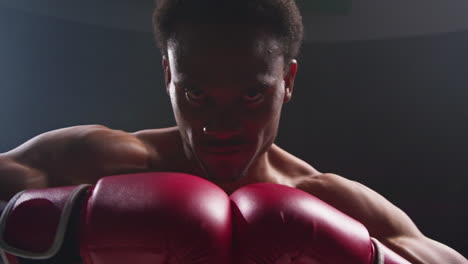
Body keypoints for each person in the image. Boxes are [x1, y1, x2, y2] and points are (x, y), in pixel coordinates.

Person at [0, 0, 466, 263]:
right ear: (168, 77)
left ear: (287, 83)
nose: (218, 126)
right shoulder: (96, 161)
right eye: (196, 94)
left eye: (250, 96)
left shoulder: (331, 203)